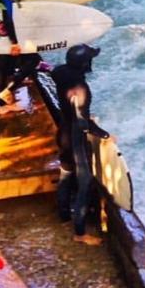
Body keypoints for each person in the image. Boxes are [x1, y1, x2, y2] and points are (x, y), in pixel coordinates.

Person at [50, 44, 110, 246]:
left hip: (63, 132)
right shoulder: (81, 88)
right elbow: (82, 122)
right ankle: (80, 233)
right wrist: (104, 134)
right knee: (85, 182)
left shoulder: (60, 72)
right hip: (75, 138)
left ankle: (64, 215)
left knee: (66, 174)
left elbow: (73, 110)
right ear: (85, 64)